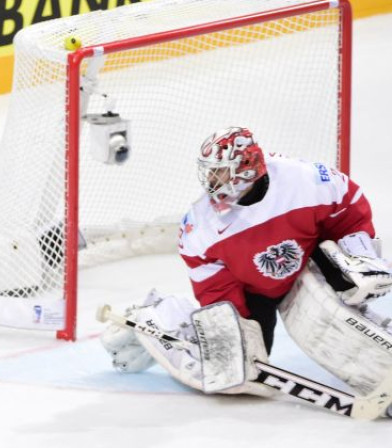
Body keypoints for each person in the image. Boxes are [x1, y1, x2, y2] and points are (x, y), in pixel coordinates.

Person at [101, 127, 392, 403]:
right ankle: (160, 316)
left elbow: (347, 206)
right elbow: (211, 281)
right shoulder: (201, 224)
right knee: (236, 375)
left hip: (307, 263)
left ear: (247, 169)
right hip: (253, 292)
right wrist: (232, 328)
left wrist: (357, 253)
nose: (211, 180)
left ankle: (381, 362)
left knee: (341, 308)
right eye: (210, 171)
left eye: (219, 171)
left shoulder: (304, 179)